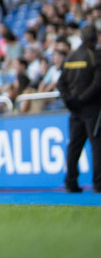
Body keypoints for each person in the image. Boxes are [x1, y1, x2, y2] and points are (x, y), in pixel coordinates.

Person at [57, 24, 101, 193]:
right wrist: (81, 100)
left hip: (74, 109)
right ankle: (98, 183)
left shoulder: (70, 57)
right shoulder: (94, 56)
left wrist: (70, 101)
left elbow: (61, 83)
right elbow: (97, 84)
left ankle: (70, 182)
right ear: (94, 38)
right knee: (96, 145)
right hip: (91, 108)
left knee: (74, 145)